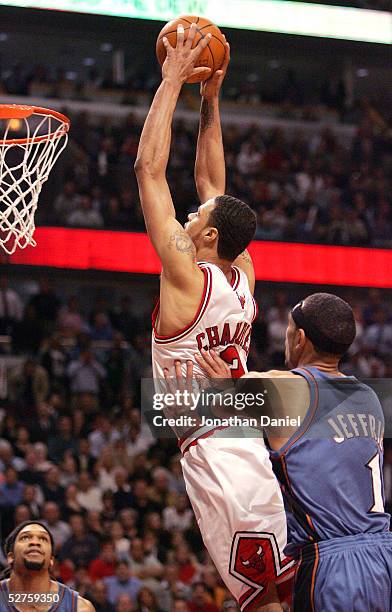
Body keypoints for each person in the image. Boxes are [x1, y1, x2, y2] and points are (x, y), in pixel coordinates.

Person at [135, 23, 293, 612]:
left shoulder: (185, 277)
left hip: (213, 448)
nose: (190, 211)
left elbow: (149, 172)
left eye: (196, 214)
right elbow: (213, 185)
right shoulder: (242, 274)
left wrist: (173, 80)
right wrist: (211, 100)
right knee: (282, 587)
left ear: (210, 234)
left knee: (261, 602)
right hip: (245, 439)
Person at [195, 292, 392, 611]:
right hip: (383, 557)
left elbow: (218, 399)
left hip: (334, 564)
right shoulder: (368, 397)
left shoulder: (286, 390)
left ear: (299, 338)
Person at [0, 521, 95, 610]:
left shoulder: (80, 607)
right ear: (11, 557)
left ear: (51, 560)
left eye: (43, 539)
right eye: (25, 537)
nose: (35, 542)